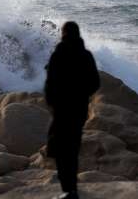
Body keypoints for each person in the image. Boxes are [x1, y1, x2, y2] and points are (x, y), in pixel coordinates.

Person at [45, 21, 100, 199]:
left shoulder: (58, 55)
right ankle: (72, 190)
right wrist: (82, 95)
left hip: (61, 111)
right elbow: (95, 83)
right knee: (73, 147)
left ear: (63, 34)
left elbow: (50, 84)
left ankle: (67, 189)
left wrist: (52, 103)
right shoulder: (86, 55)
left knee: (61, 148)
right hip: (79, 109)